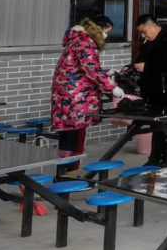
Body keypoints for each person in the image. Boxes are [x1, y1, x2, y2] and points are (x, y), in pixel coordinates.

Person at [51, 15, 122, 170]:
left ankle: (65, 174)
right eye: (106, 32)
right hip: (76, 98)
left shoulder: (77, 40)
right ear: (99, 29)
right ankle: (69, 175)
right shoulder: (85, 43)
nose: (106, 36)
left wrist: (105, 74)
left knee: (69, 134)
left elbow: (83, 69)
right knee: (74, 136)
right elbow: (92, 70)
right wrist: (112, 87)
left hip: (68, 96)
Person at [134, 14, 167, 167]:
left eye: (144, 32)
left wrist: (147, 67)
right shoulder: (148, 42)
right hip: (152, 91)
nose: (143, 36)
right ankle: (154, 157)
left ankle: (166, 160)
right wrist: (133, 67)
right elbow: (142, 59)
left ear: (154, 26)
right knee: (155, 126)